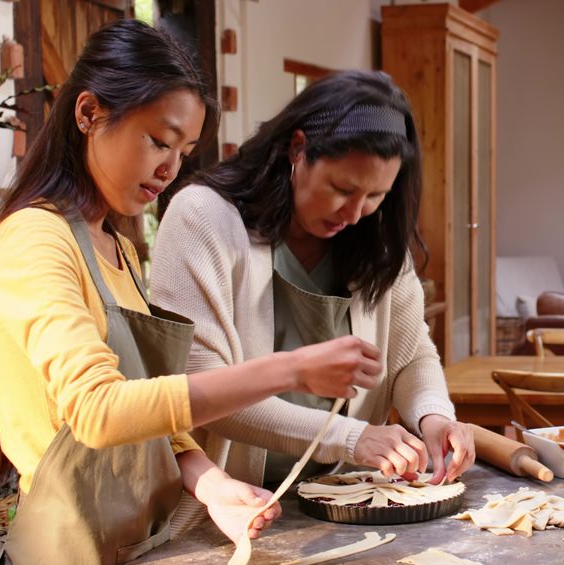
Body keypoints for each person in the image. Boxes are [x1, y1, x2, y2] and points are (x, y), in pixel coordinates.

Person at [0, 20, 382, 565]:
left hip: (141, 547)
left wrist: (212, 485)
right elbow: (99, 412)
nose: (170, 169)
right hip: (67, 555)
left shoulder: (114, 244)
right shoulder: (34, 239)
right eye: (159, 141)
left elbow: (149, 418)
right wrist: (290, 369)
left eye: (184, 151)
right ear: (89, 114)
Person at [149, 70, 475, 493]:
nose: (356, 212)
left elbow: (412, 357)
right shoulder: (203, 218)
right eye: (342, 188)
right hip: (233, 505)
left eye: (376, 196)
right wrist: (351, 437)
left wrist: (435, 416)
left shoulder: (374, 238)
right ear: (298, 149)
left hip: (347, 497)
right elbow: (203, 395)